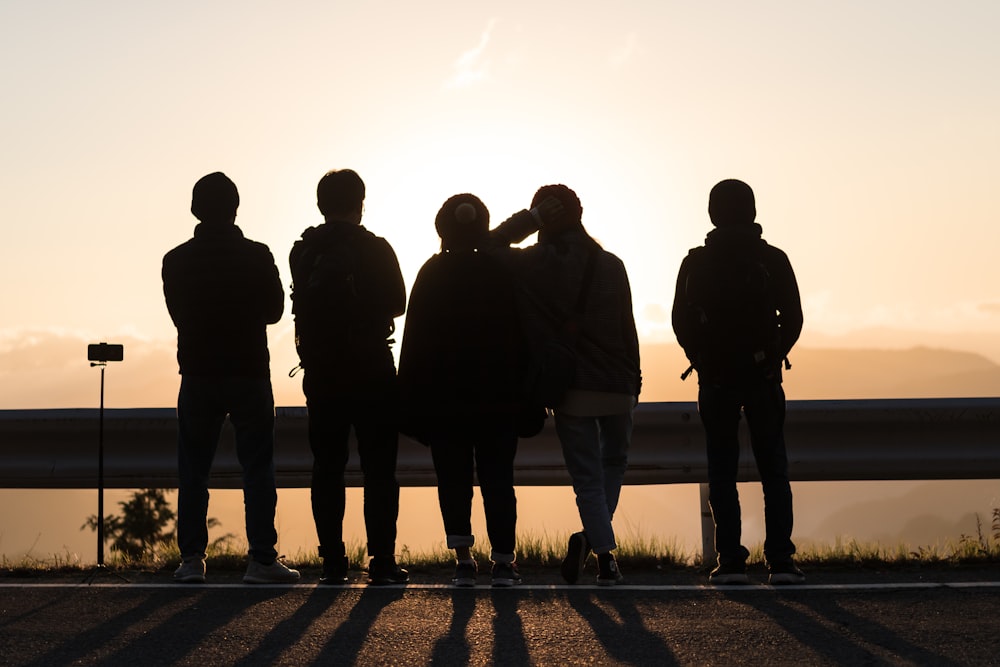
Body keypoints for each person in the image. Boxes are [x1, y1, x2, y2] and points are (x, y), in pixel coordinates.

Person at [491, 184, 641, 586]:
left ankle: (606, 557)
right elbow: (628, 328)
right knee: (614, 464)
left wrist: (529, 219)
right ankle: (594, 540)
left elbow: (488, 249)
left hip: (572, 385)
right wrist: (635, 380)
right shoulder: (612, 263)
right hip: (619, 382)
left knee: (587, 478)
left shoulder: (537, 262)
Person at [162, 172, 300, 584]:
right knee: (258, 467)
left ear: (195, 210)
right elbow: (275, 311)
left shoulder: (176, 259)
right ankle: (261, 559)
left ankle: (191, 560)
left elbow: (177, 314)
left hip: (199, 373)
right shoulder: (257, 255)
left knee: (194, 470)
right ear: (236, 208)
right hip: (249, 371)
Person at [671, 178, 805, 585]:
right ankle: (780, 560)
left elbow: (679, 322)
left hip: (715, 381)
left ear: (713, 213)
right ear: (753, 212)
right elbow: (794, 319)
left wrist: (702, 360)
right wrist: (772, 358)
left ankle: (730, 560)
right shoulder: (774, 259)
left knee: (721, 468)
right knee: (773, 468)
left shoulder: (695, 263)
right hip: (763, 380)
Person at [397, 194, 530, 587]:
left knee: (453, 478)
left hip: (445, 401)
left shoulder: (431, 273)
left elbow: (414, 342)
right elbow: (520, 336)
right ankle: (504, 562)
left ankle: (463, 560)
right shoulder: (500, 272)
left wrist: (411, 401)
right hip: (497, 398)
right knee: (498, 479)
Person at [289, 169, 408, 585]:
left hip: (322, 372)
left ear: (321, 206)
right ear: (361, 202)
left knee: (327, 467)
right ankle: (382, 560)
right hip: (372, 369)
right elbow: (398, 302)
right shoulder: (375, 247)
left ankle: (333, 561)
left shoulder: (303, 251)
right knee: (379, 469)